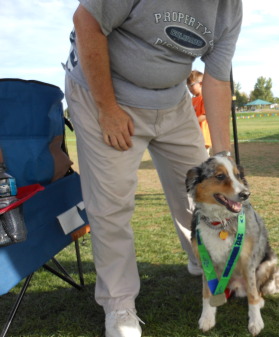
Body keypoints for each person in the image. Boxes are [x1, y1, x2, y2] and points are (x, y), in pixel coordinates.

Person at [63, 1, 242, 336]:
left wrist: (222, 157)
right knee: (111, 205)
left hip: (173, 101)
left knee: (207, 195)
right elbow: (86, 21)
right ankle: (119, 304)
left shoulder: (229, 7)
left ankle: (206, 261)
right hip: (104, 94)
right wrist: (107, 108)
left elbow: (216, 76)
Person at [187, 70, 212, 153]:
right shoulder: (192, 100)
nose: (189, 88)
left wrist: (191, 122)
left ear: (201, 84)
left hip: (203, 136)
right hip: (193, 136)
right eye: (187, 86)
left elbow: (205, 115)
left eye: (191, 85)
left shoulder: (205, 97)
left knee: (203, 160)